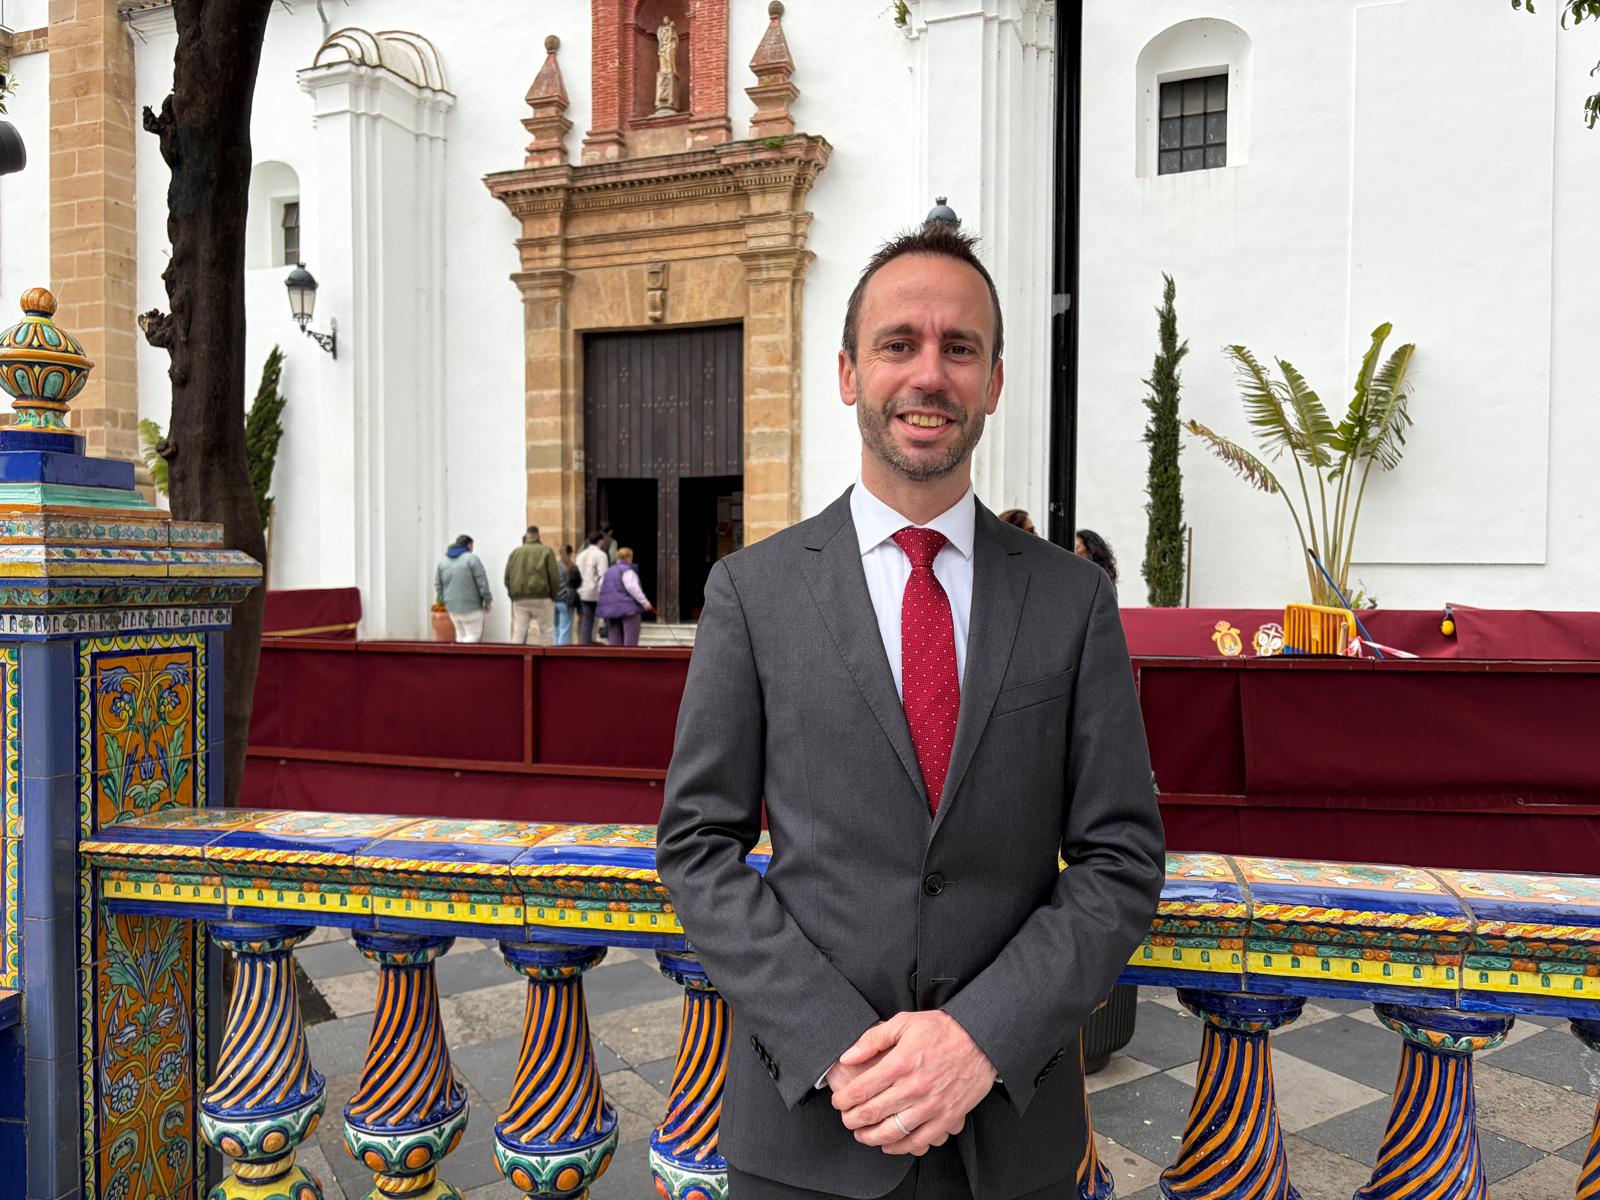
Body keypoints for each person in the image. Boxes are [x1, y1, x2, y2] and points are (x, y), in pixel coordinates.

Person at [656, 222, 1165, 1199]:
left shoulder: (1070, 600)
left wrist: (983, 1038)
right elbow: (696, 845)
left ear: (993, 382)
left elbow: (1120, 856)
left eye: (958, 347)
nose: (928, 375)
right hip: (809, 1127)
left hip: (1013, 1136)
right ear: (848, 372)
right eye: (898, 344)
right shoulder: (751, 593)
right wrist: (834, 1045)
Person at [504, 525, 561, 645]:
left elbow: (507, 578)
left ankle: (515, 660)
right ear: (538, 536)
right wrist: (553, 595)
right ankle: (547, 661)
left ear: (526, 536)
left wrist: (513, 595)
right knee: (546, 633)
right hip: (542, 597)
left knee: (518, 633)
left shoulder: (515, 553)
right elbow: (554, 576)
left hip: (520, 599)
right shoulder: (546, 551)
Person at [434, 534, 491, 643]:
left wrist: (444, 600)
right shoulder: (472, 559)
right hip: (471, 607)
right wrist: (487, 600)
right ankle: (468, 660)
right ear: (469, 545)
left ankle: (459, 659)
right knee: (473, 637)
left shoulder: (443, 561)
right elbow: (482, 581)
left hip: (452, 609)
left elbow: (438, 584)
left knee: (460, 635)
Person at [596, 547, 655, 646]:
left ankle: (615, 659)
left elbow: (600, 587)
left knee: (614, 638)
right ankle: (630, 658)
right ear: (629, 557)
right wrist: (645, 603)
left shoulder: (608, 571)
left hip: (612, 609)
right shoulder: (627, 571)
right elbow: (633, 588)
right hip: (629, 609)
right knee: (630, 638)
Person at [575, 531, 610, 644]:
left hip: (581, 590)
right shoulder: (601, 555)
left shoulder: (580, 555)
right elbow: (603, 576)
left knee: (586, 620)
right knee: (601, 620)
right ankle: (590, 645)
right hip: (594, 592)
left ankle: (585, 645)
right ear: (600, 541)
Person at [554, 543, 581, 646]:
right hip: (566, 600)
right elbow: (577, 583)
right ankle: (561, 653)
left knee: (556, 628)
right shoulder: (572, 566)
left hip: (553, 599)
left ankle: (554, 651)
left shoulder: (554, 566)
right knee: (565, 628)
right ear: (570, 553)